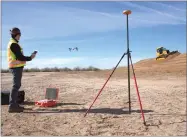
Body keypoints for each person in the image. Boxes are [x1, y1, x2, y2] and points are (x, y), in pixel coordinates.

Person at [7, 27, 37, 113]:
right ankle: (12, 105)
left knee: (17, 85)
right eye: (19, 35)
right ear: (16, 35)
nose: (20, 37)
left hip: (16, 67)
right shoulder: (14, 44)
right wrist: (30, 58)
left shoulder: (13, 43)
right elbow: (19, 57)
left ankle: (14, 104)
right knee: (16, 85)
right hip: (15, 67)